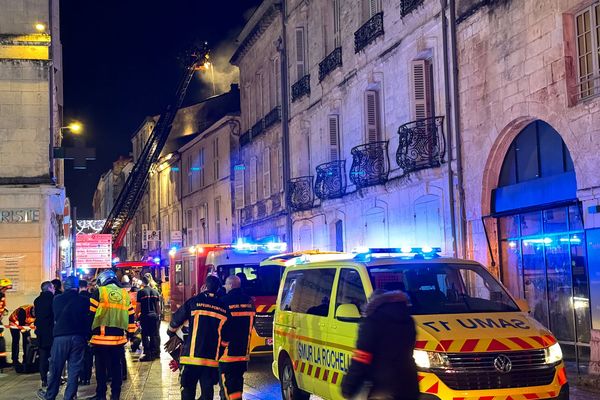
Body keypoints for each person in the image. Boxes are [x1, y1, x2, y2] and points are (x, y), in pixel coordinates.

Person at [341, 290, 419, 400]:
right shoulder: (408, 321)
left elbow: (361, 358)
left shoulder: (372, 322)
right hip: (409, 385)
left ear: (374, 303)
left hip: (381, 388)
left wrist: (348, 387)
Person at [169, 276, 227, 400]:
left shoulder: (194, 302)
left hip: (191, 358)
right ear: (218, 289)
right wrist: (219, 351)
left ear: (204, 287)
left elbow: (175, 321)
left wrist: (171, 333)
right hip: (211, 360)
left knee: (188, 391)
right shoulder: (223, 307)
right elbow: (226, 337)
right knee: (207, 394)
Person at [40, 276, 90, 400]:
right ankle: (69, 397)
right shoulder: (84, 300)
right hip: (78, 337)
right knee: (74, 370)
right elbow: (87, 319)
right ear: (77, 287)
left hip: (60, 337)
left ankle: (50, 395)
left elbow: (55, 317)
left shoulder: (56, 299)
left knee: (56, 368)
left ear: (64, 287)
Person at [89, 269, 136, 400]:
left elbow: (91, 315)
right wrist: (130, 335)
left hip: (100, 339)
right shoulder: (124, 294)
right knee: (116, 368)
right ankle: (116, 394)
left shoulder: (99, 292)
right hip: (118, 340)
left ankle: (101, 394)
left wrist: (88, 335)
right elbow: (131, 316)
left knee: (101, 369)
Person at [218, 276, 255, 400]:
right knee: (237, 386)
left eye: (226, 285)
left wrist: (221, 346)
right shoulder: (250, 302)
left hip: (227, 355)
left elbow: (223, 327)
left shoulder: (224, 302)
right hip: (243, 353)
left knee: (227, 388)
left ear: (230, 285)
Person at [33, 281, 55, 388]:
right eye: (53, 288)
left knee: (43, 357)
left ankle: (43, 379)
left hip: (41, 333)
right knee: (53, 357)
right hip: (51, 333)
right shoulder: (53, 299)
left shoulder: (37, 300)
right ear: (50, 288)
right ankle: (53, 378)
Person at [136, 274, 161, 361]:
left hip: (145, 316)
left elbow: (138, 306)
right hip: (154, 316)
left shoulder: (140, 292)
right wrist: (158, 315)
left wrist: (136, 316)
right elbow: (158, 306)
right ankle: (155, 353)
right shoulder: (155, 292)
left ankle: (148, 354)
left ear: (143, 282)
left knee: (145, 335)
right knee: (154, 334)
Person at [78, 280, 93, 386]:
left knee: (79, 355)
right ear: (87, 287)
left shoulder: (76, 299)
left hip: (79, 331)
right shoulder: (92, 298)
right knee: (89, 355)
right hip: (90, 331)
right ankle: (88, 377)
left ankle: (82, 377)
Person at [0, 278, 13, 369]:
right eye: (4, 288)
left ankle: (2, 362)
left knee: (1, 340)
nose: (6, 290)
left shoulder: (2, 295)